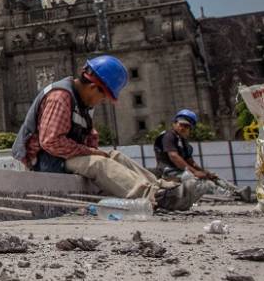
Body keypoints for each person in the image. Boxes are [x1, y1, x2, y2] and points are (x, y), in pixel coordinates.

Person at [12, 55, 199, 211]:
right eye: (104, 97)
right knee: (99, 163)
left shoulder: (82, 102)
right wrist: (91, 152)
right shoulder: (60, 97)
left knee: (114, 155)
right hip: (47, 160)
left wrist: (92, 146)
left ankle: (160, 186)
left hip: (63, 156)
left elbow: (89, 135)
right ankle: (154, 197)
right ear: (94, 87)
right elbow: (51, 142)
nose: (102, 101)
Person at [154, 110, 217, 180]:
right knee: (194, 182)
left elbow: (191, 162)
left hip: (180, 171)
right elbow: (173, 156)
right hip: (167, 171)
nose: (183, 128)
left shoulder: (183, 141)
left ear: (190, 129)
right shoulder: (169, 136)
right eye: (181, 124)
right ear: (174, 124)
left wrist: (205, 172)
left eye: (186, 126)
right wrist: (195, 172)